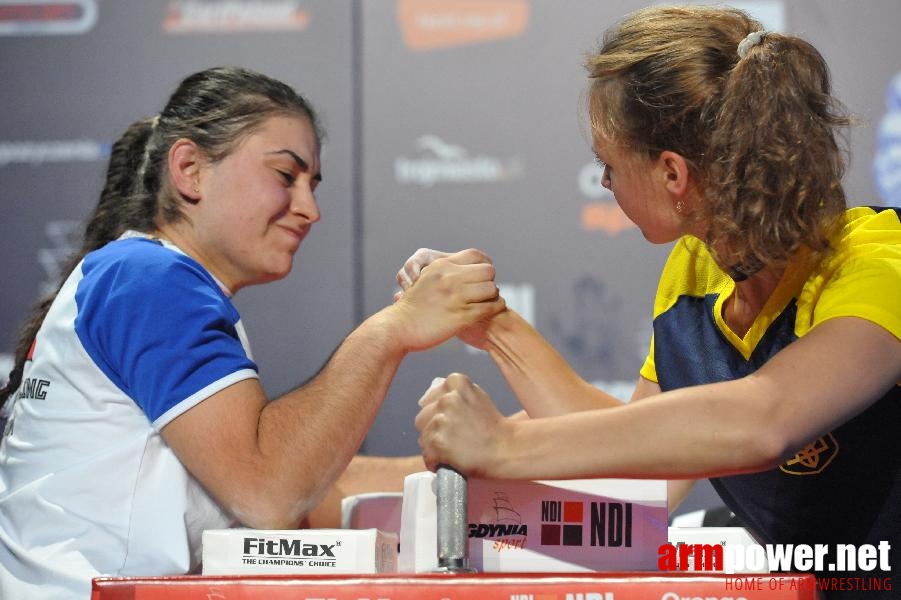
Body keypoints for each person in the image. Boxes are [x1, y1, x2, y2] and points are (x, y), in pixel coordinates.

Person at [404, 6, 901, 597]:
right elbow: (639, 464)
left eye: (608, 166)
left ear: (672, 174)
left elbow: (767, 419)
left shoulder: (878, 258)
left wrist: (504, 445)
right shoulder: (695, 268)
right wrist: (491, 322)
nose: (606, 184)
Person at [0, 66, 504, 598]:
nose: (309, 209)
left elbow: (310, 486)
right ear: (190, 169)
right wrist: (393, 329)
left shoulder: (136, 274)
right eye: (286, 176)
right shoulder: (149, 279)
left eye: (312, 184)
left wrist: (496, 456)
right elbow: (270, 491)